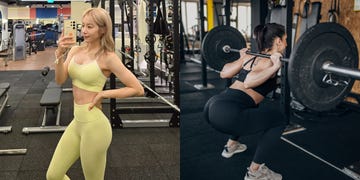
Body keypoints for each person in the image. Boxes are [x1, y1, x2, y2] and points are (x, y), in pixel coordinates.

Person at [46, 8, 144, 180]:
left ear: (103, 29)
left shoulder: (108, 57)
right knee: (53, 175)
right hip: (77, 122)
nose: (84, 30)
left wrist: (104, 94)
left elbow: (137, 88)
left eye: (90, 27)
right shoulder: (76, 50)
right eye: (83, 26)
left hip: (95, 126)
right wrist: (59, 55)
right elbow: (60, 80)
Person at [203, 23, 287, 180]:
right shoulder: (269, 61)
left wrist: (242, 59)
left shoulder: (250, 56)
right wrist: (275, 66)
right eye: (285, 39)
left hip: (213, 106)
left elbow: (224, 73)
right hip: (228, 114)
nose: (287, 44)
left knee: (250, 106)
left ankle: (231, 146)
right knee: (280, 119)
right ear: (278, 41)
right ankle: (254, 172)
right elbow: (249, 82)